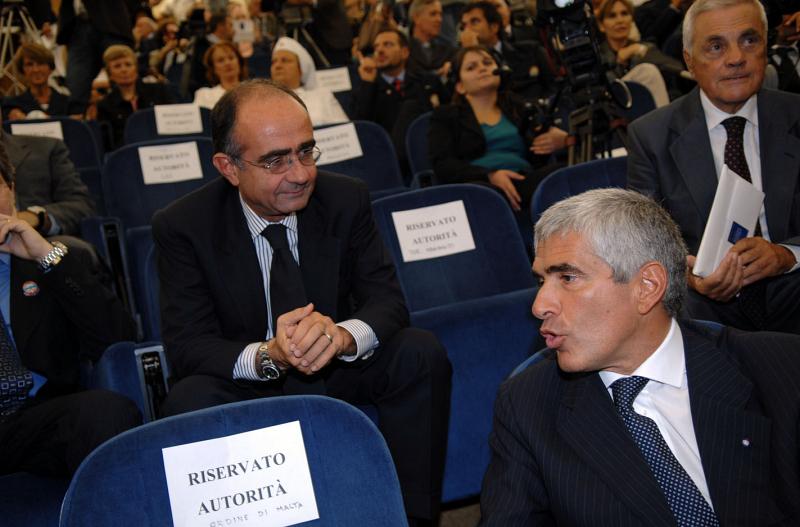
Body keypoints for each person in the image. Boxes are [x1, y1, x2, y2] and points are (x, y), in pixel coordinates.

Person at [152, 79, 452, 527]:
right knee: (188, 399)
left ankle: (410, 518)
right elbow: (188, 345)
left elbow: (387, 301)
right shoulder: (184, 226)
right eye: (276, 160)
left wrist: (342, 336)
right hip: (249, 383)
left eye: (306, 151)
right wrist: (270, 355)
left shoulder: (345, 198)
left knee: (418, 352)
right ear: (228, 167)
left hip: (337, 370)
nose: (300, 174)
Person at [480, 187, 800, 526]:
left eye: (568, 278)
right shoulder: (527, 405)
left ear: (647, 286)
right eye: (542, 281)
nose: (540, 305)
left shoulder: (781, 367)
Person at [627, 0, 800, 334]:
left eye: (749, 40)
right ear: (689, 61)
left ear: (766, 47)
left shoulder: (796, 115)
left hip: (791, 285)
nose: (736, 58)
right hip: (703, 302)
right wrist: (690, 275)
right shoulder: (651, 136)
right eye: (716, 46)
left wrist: (786, 255)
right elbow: (643, 243)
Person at [0, 140, 140, 477]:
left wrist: (47, 257)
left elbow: (116, 339)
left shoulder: (50, 262)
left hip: (35, 420)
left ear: (12, 189)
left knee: (105, 412)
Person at [428, 46, 567, 213]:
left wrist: (561, 140)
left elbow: (541, 149)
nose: (482, 68)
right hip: (479, 185)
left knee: (561, 173)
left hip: (524, 180)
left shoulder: (518, 107)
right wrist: (490, 175)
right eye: (471, 67)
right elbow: (443, 164)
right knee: (483, 192)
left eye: (487, 63)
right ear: (460, 86)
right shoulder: (446, 115)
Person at [352, 29, 445, 174]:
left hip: (429, 152)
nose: (380, 50)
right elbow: (361, 129)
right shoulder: (366, 87)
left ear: (405, 52)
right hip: (388, 162)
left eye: (388, 45)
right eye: (376, 47)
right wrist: (368, 84)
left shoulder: (427, 81)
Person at [0, 111, 95, 236]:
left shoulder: (46, 148)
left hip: (41, 241)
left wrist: (35, 218)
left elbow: (82, 207)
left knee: (69, 246)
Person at [595, 0, 684, 106]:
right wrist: (618, 62)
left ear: (631, 19)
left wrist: (639, 50)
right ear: (601, 25)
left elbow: (676, 67)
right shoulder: (597, 57)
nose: (620, 20)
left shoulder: (644, 47)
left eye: (624, 14)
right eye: (612, 16)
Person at [458, 1, 554, 99]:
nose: (467, 30)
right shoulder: (460, 64)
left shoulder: (531, 50)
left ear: (494, 27)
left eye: (474, 22)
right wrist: (471, 52)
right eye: (463, 25)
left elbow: (554, 86)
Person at [56, 0, 139, 113]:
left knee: (123, 77)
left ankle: (131, 117)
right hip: (77, 25)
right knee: (76, 88)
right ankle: (77, 120)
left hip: (110, 22)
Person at [96, 45, 174, 150]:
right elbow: (108, 144)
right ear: (110, 75)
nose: (124, 70)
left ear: (136, 69)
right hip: (127, 154)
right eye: (117, 66)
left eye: (128, 64)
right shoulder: (105, 105)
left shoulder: (159, 91)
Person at [270, 37, 349, 126]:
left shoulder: (323, 97)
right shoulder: (265, 102)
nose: (277, 66)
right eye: (273, 62)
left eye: (285, 60)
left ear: (301, 68)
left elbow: (345, 130)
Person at [2, 43, 83, 120]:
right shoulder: (13, 105)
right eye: (29, 64)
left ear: (50, 68)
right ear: (22, 70)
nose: (36, 69)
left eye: (41, 63)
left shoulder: (69, 104)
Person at [408, 0, 457, 78]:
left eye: (440, 14)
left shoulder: (448, 51)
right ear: (416, 18)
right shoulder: (404, 50)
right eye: (433, 14)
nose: (439, 19)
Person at [193, 42, 248, 110]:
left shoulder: (252, 92)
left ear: (239, 62)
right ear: (213, 69)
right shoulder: (204, 95)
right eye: (221, 60)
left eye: (231, 58)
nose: (227, 63)